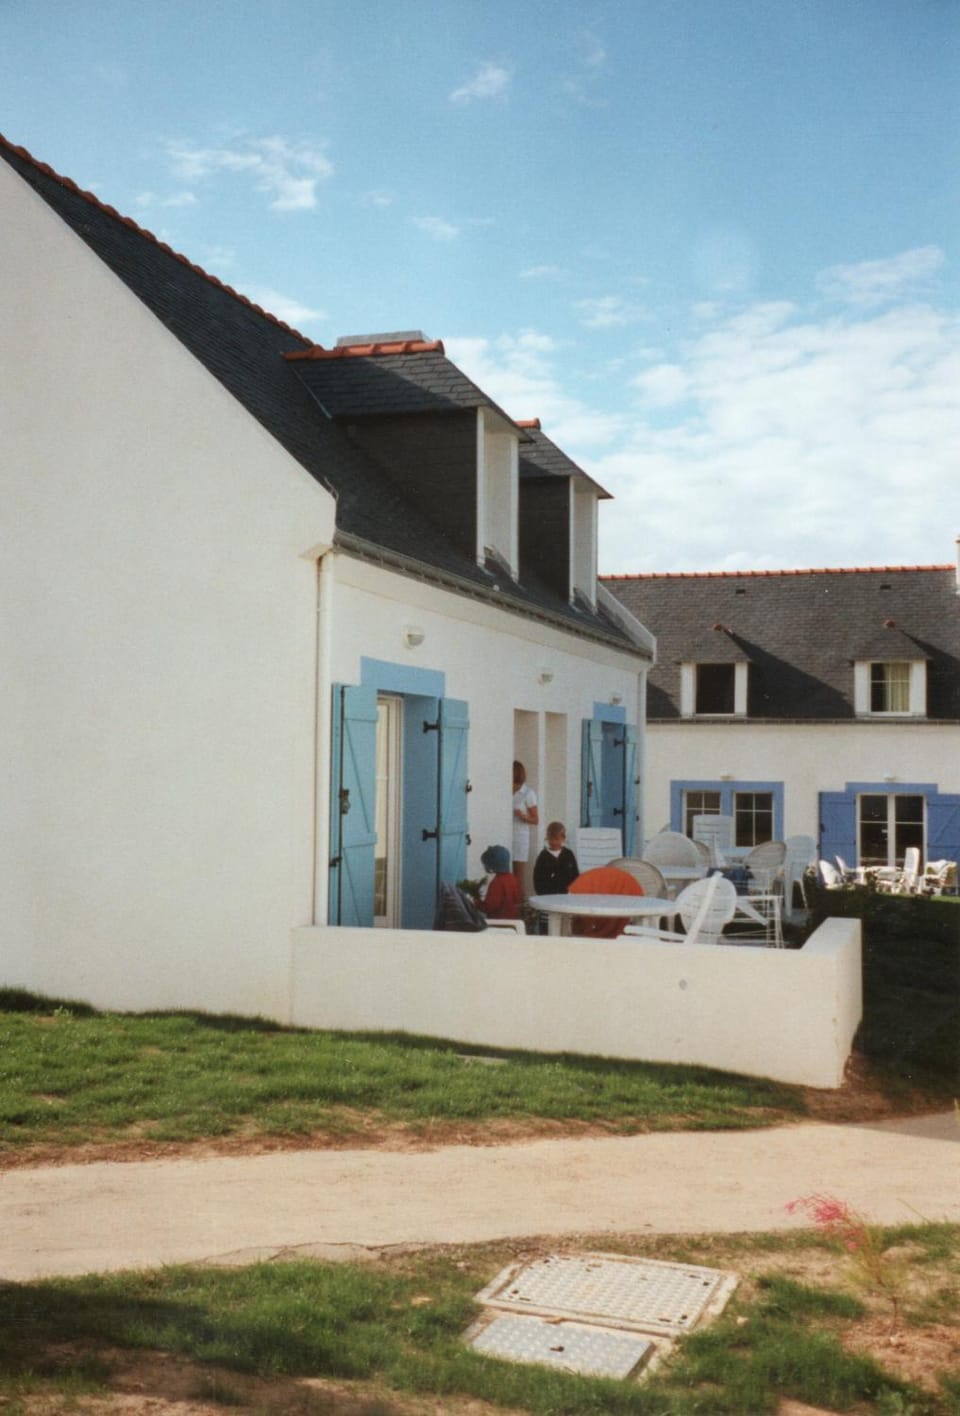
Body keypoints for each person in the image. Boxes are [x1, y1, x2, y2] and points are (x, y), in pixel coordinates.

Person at [533, 822, 579, 895]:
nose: (553, 842)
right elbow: (537, 878)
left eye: (556, 839)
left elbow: (575, 875)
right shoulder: (543, 856)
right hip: (547, 895)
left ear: (563, 838)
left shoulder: (568, 854)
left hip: (566, 895)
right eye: (551, 839)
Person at [512, 760, 539, 884]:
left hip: (519, 837)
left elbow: (535, 819)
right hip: (505, 835)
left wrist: (523, 816)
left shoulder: (528, 793)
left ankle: (519, 901)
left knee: (518, 875)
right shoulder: (504, 790)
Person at [479, 844, 523, 920]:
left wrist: (476, 903)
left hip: (500, 922)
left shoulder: (498, 882)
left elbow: (490, 907)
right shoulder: (513, 878)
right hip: (514, 920)